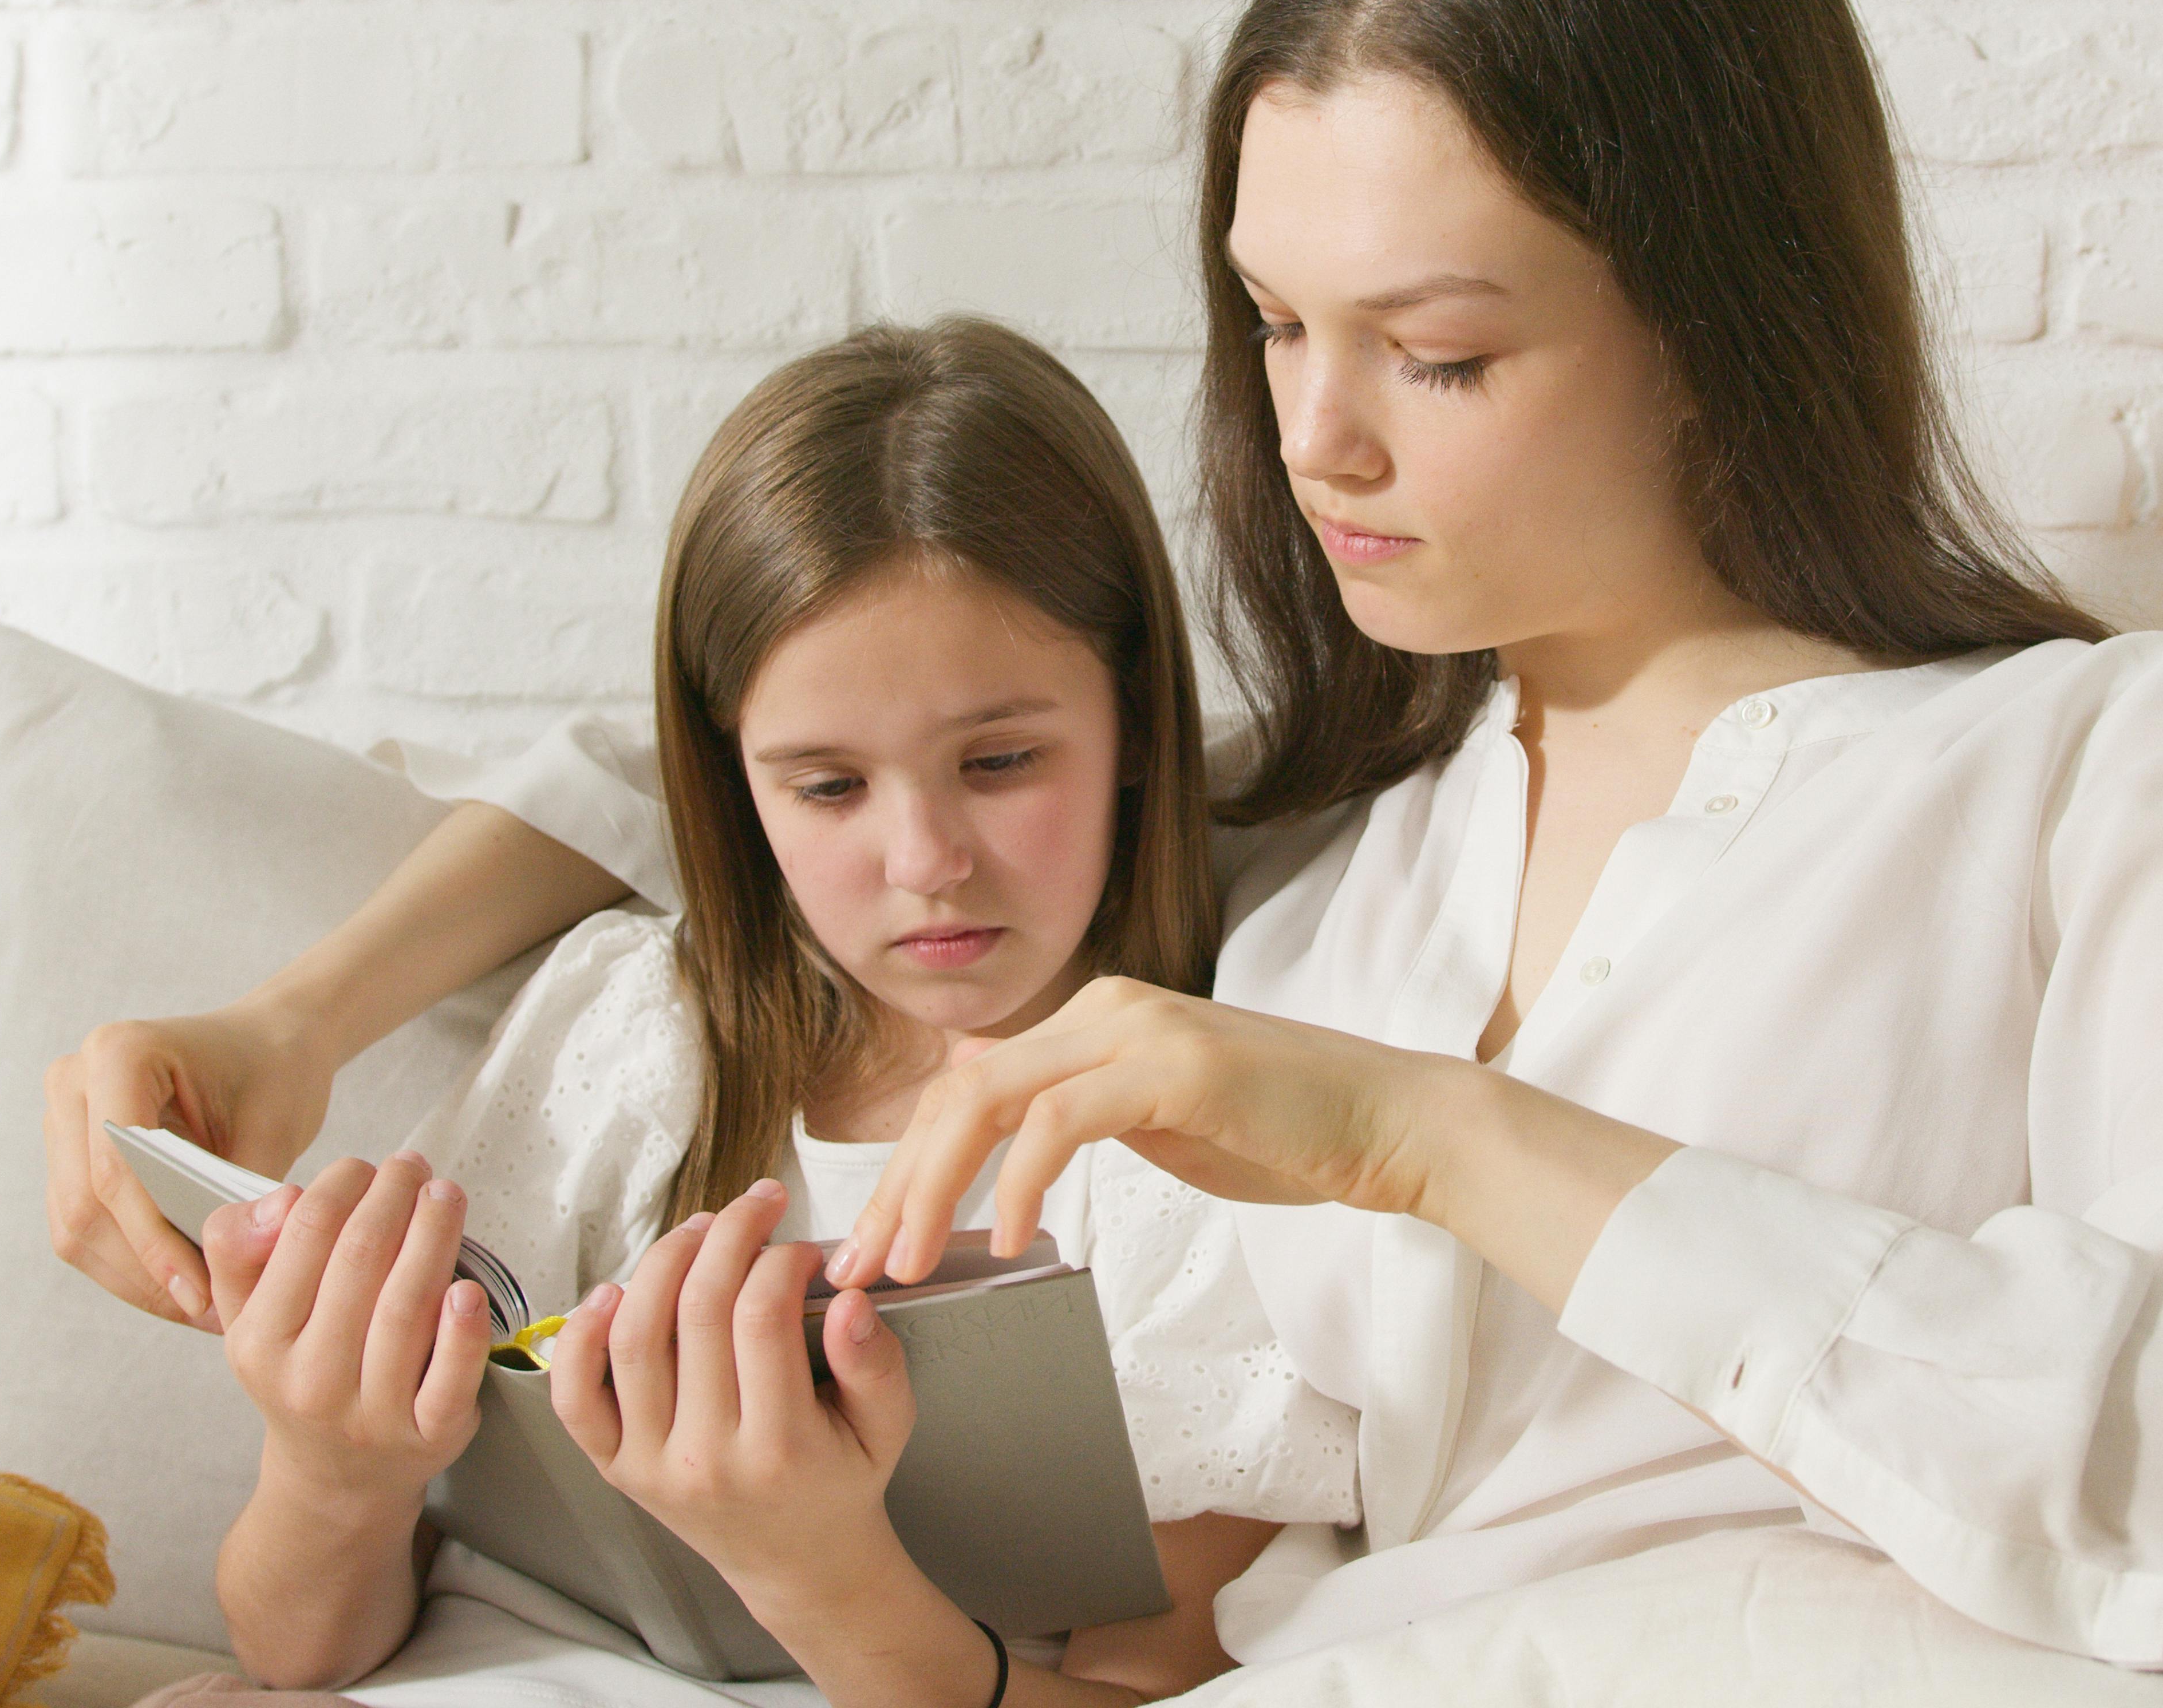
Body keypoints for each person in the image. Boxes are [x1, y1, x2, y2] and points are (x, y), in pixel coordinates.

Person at [56, 0, 2163, 1708]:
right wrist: (291, 1024)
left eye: (1440, 353)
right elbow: (756, 749)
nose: (1315, 444)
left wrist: (1432, 1135)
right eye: (1274, 330)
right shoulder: (1321, 882)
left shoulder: (2101, 774)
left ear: (1719, 322)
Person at [169, 318, 1351, 1699]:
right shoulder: (635, 1032)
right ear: (737, 785)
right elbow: (296, 1649)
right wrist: (330, 1473)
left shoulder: (1200, 1149)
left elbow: (1152, 1683)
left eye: (1003, 760)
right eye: (829, 788)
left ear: (1140, 723)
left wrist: (814, 1569)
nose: (925, 864)